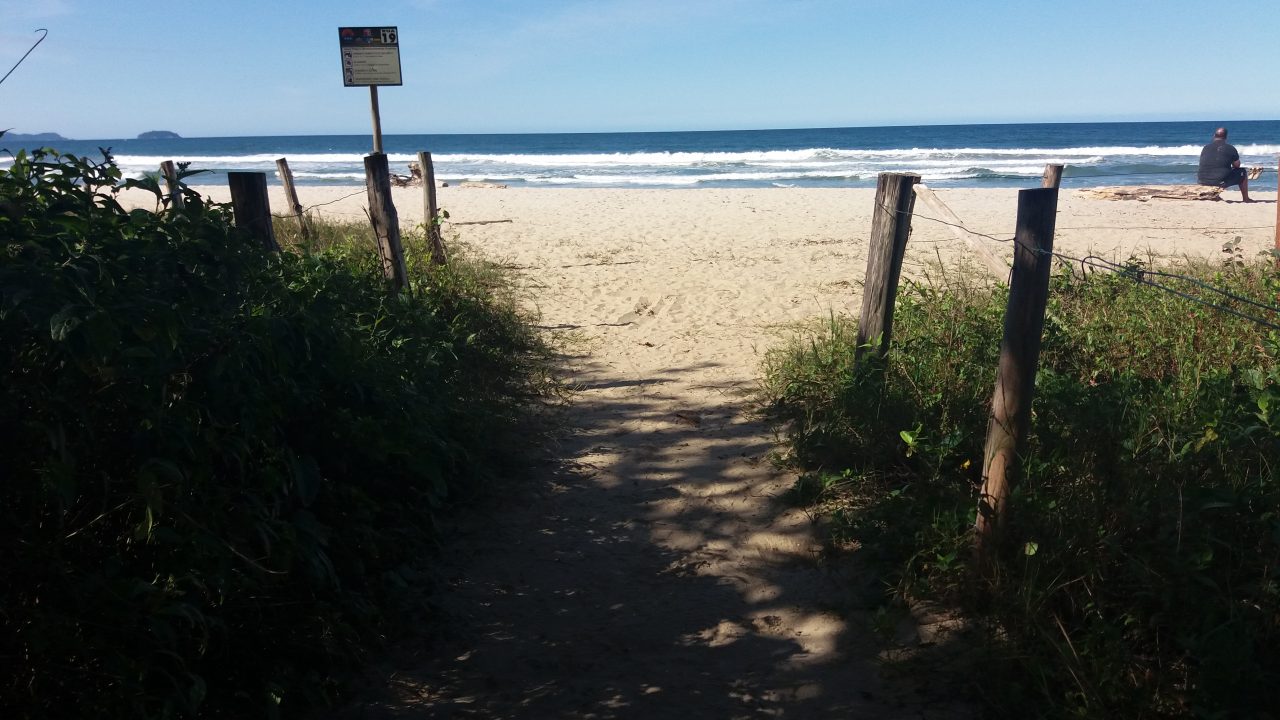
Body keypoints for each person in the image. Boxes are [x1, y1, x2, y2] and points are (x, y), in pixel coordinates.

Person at [1197, 127, 1253, 202]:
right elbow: (1237, 165)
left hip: (1202, 180)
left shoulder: (1206, 148)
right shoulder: (1230, 148)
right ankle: (1246, 198)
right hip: (1219, 181)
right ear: (1226, 137)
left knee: (1218, 171)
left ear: (1214, 136)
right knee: (1242, 172)